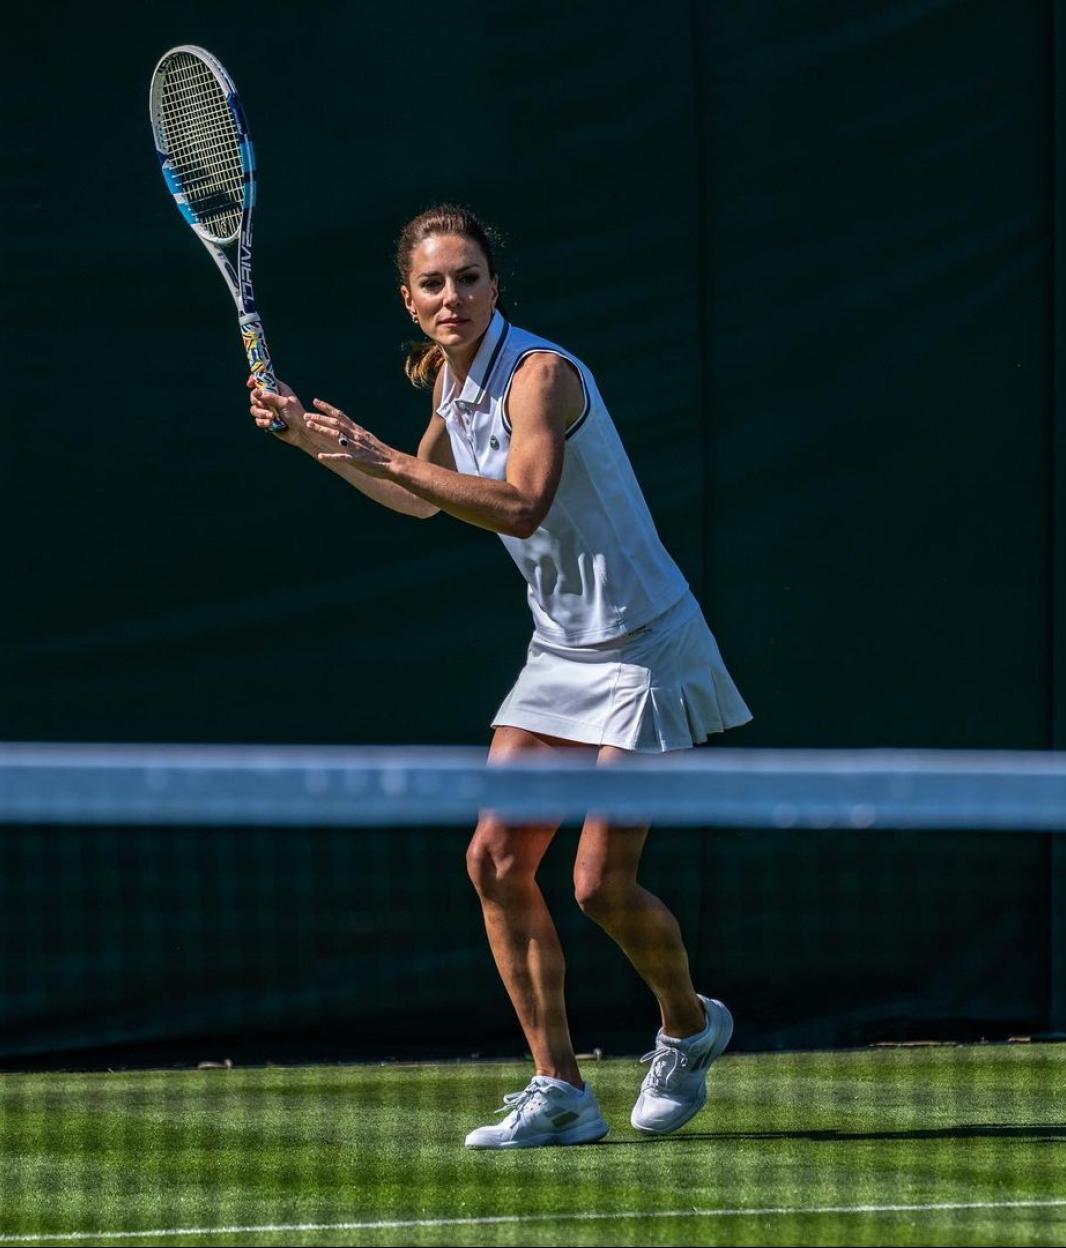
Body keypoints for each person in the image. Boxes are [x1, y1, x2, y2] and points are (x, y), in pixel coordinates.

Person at [249, 204, 751, 1149]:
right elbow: (416, 499)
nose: (453, 297)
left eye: (469, 277)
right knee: (494, 861)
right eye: (433, 284)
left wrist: (380, 449)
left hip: (644, 644)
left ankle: (689, 1023)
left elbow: (520, 506)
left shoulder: (540, 376)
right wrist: (305, 440)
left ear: (494, 285)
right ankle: (560, 1090)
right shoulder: (448, 379)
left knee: (601, 885)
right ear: (411, 298)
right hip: (560, 650)